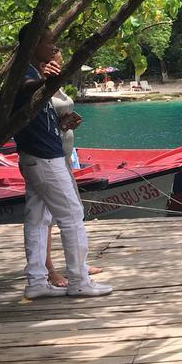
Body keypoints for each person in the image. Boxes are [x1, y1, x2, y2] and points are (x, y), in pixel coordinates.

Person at [14, 25, 112, 299]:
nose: (53, 47)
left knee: (37, 219)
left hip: (37, 155)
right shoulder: (25, 75)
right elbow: (22, 90)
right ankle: (79, 280)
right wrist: (45, 81)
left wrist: (60, 124)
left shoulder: (33, 74)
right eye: (48, 42)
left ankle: (36, 282)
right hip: (45, 160)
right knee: (71, 217)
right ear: (34, 45)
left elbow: (31, 113)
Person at [43, 59, 103, 288]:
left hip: (65, 155)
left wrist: (65, 124)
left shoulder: (57, 85)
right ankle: (50, 270)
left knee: (74, 211)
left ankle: (79, 264)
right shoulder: (38, 84)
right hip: (48, 157)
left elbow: (52, 121)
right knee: (48, 218)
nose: (58, 60)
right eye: (53, 55)